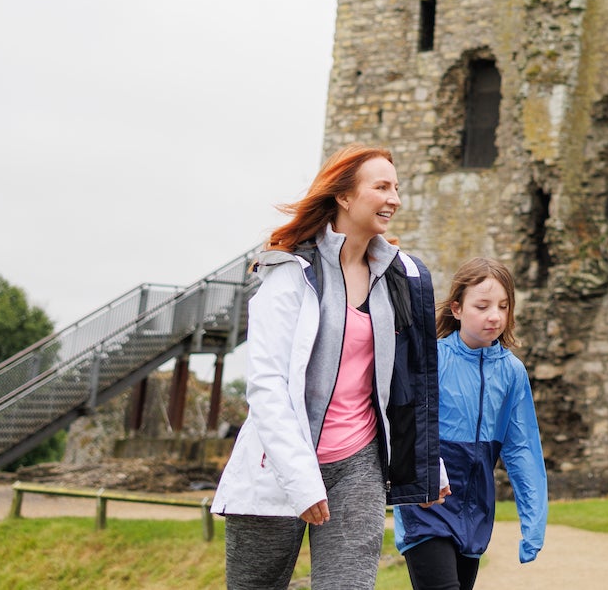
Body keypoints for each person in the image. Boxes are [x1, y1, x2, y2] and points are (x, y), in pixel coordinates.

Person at [212, 146, 445, 590]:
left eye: (397, 188)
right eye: (381, 187)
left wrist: (430, 460)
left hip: (358, 465)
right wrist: (301, 480)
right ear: (343, 196)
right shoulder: (289, 274)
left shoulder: (398, 277)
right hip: (277, 466)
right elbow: (266, 388)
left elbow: (408, 383)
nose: (394, 198)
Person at [395, 257, 547, 590]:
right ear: (457, 308)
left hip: (476, 509)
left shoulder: (512, 373)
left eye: (503, 306)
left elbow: (522, 448)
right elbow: (406, 427)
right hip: (427, 503)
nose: (495, 315)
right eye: (482, 306)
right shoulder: (432, 359)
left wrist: (534, 521)